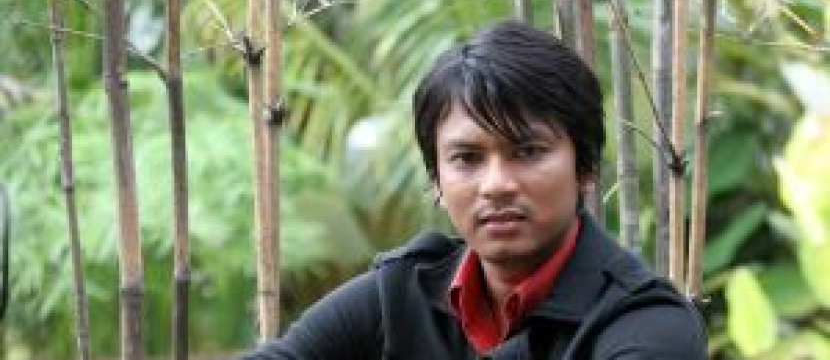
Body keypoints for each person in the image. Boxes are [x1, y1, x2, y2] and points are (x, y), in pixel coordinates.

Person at [240, 20, 707, 359]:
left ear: (584, 167)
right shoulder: (400, 294)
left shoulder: (647, 325)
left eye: (528, 151)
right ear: (437, 181)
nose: (496, 185)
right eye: (467, 158)